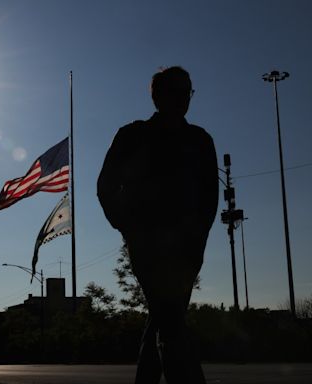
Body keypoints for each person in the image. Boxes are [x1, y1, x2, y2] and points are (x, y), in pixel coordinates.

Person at [97, 66, 218, 384]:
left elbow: (209, 197)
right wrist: (128, 228)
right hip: (148, 246)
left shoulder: (200, 140)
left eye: (188, 92)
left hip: (187, 249)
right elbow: (106, 186)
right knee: (171, 322)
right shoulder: (132, 135)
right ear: (158, 96)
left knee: (165, 319)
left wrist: (198, 238)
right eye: (177, 92)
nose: (184, 99)